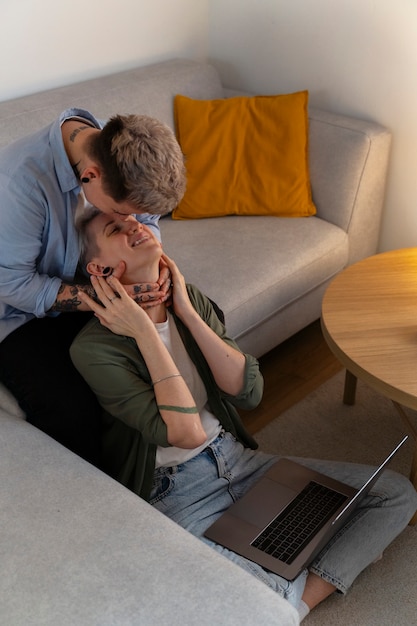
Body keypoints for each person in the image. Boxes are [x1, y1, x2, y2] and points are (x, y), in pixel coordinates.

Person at [70, 209, 417, 621]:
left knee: (395, 494)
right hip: (178, 496)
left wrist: (186, 310)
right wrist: (145, 331)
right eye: (116, 229)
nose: (135, 227)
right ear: (100, 268)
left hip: (241, 461)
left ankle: (297, 600)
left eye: (135, 220)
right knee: (248, 591)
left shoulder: (187, 298)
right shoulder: (94, 350)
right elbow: (185, 433)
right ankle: (292, 579)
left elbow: (249, 393)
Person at [0, 111, 186, 465]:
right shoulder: (18, 184)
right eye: (121, 211)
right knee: (70, 410)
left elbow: (145, 218)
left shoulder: (121, 150)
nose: (132, 220)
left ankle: (158, 471)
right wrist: (104, 299)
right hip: (17, 314)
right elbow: (11, 284)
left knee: (197, 320)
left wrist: (153, 260)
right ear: (90, 176)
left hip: (97, 283)